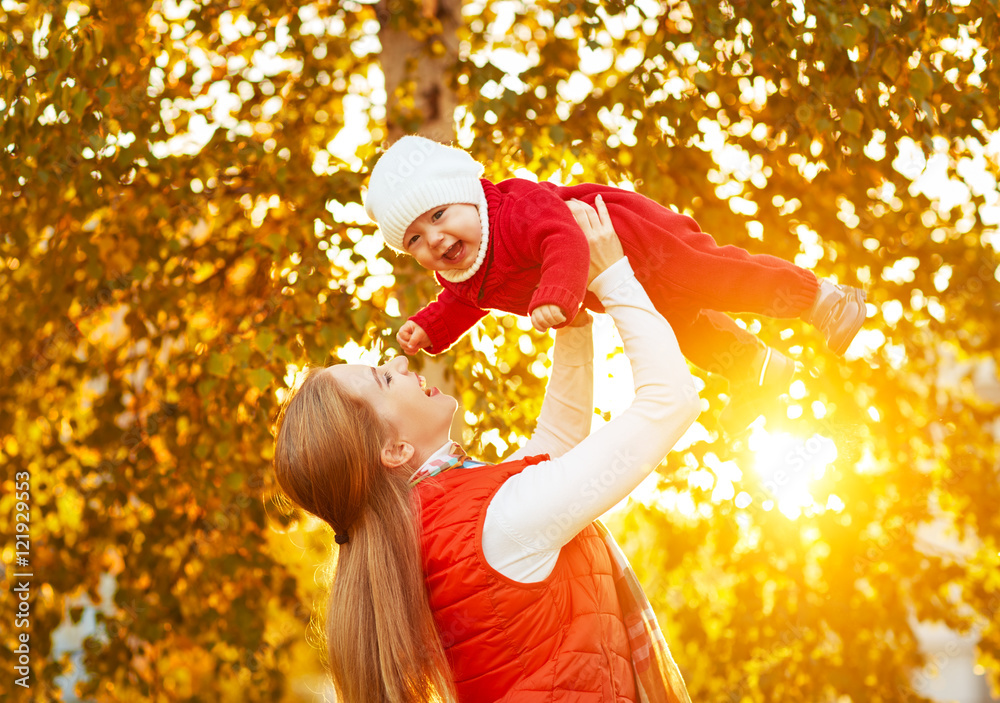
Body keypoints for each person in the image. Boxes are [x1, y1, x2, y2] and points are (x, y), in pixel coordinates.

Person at [274, 198, 698, 703]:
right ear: (395, 450)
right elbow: (671, 401)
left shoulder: (437, 524)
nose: (403, 366)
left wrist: (572, 312)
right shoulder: (489, 524)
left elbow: (551, 454)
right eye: (385, 379)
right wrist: (613, 277)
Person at [363, 135, 868, 433]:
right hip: (615, 284)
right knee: (682, 334)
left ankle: (821, 297)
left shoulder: (515, 208)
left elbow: (564, 241)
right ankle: (761, 369)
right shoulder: (461, 271)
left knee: (720, 279)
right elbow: (459, 304)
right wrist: (428, 328)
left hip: (636, 241)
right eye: (414, 239)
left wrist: (553, 296)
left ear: (467, 195)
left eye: (439, 215)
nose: (436, 240)